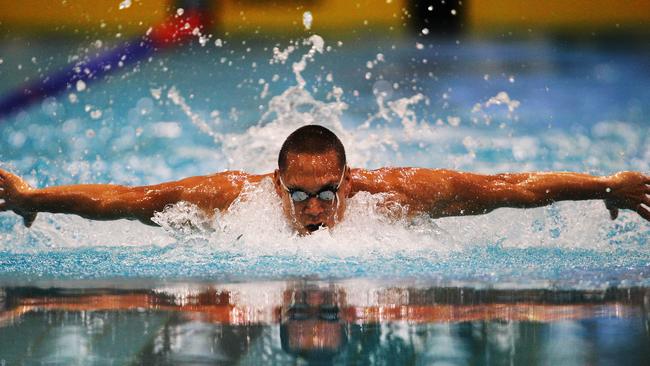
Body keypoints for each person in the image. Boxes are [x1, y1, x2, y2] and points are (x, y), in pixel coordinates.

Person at [0, 125, 648, 235]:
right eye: (301, 195)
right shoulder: (232, 197)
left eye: (327, 193)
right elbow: (127, 200)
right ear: (277, 185)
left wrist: (604, 186)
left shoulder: (398, 194)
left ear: (347, 180)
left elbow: (513, 187)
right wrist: (34, 199)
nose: (315, 209)